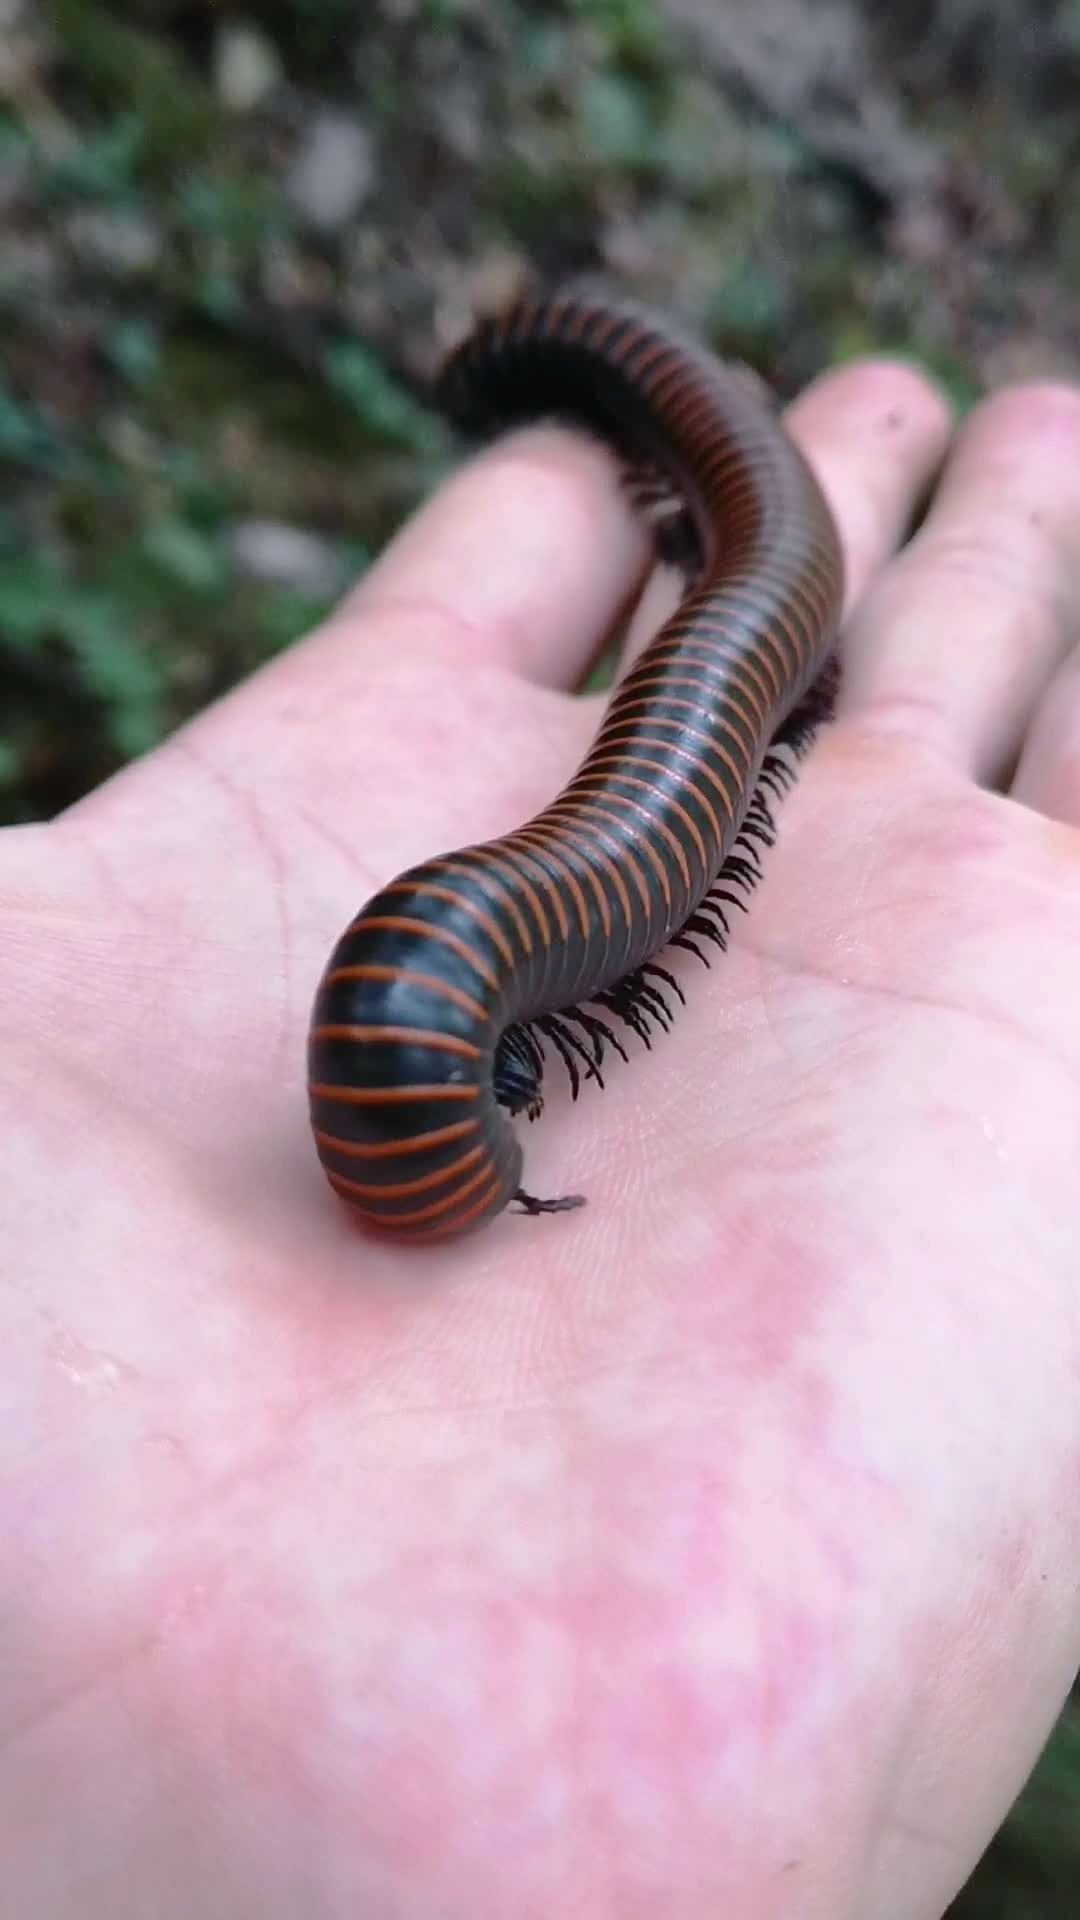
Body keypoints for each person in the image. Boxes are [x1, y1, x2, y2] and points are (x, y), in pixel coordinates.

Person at [2, 346, 1079, 1919]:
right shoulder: (477, 1012)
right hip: (701, 663)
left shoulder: (497, 981)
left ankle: (574, 351)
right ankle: (561, 359)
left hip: (726, 628)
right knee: (747, 611)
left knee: (753, 600)